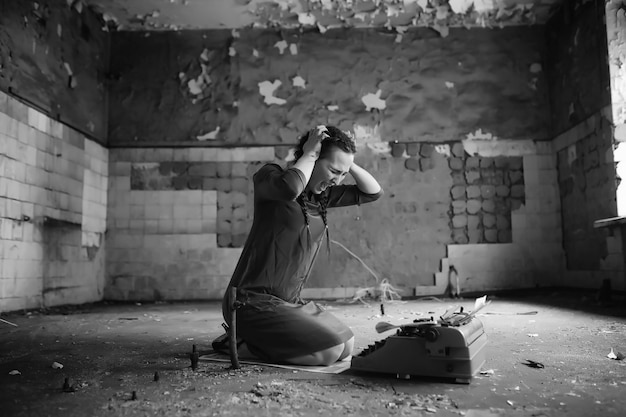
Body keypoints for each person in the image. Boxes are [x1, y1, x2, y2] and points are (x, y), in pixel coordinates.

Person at [212, 125, 383, 366]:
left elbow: (373, 193)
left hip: (289, 303)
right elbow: (290, 188)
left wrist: (346, 162)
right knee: (329, 352)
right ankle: (240, 343)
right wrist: (311, 154)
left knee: (346, 345)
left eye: (342, 175)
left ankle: (255, 340)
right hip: (250, 302)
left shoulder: (321, 197)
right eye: (333, 170)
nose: (337, 180)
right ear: (312, 158)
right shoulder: (270, 179)